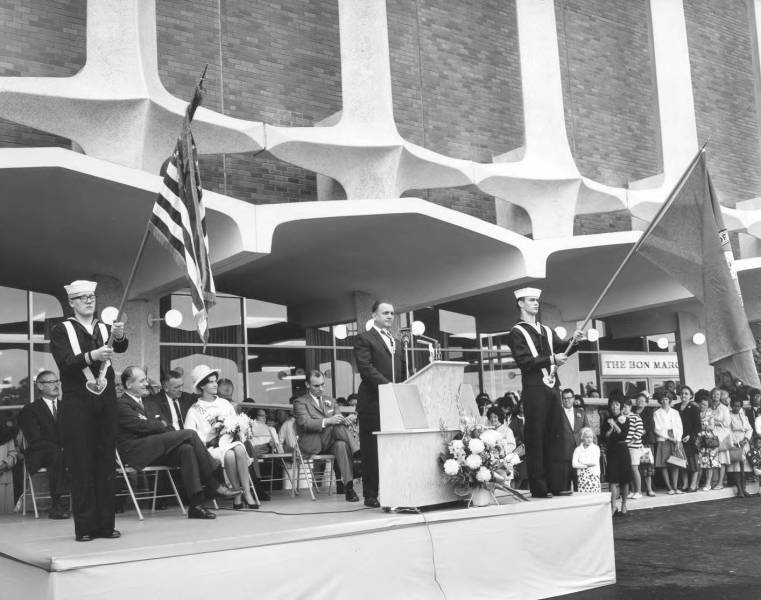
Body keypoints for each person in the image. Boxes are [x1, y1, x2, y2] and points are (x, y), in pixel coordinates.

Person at [50, 280, 127, 542]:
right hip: (77, 403)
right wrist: (93, 355)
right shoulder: (61, 330)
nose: (88, 300)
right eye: (81, 297)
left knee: (105, 462)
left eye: (91, 296)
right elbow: (65, 363)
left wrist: (119, 337)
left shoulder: (105, 327)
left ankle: (106, 524)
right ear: (71, 302)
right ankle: (85, 526)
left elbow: (122, 346)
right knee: (81, 463)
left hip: (105, 400)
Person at [116, 366, 239, 519]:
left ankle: (196, 505)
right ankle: (213, 483)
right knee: (190, 434)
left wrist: (154, 424)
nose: (146, 383)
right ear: (128, 384)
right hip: (136, 452)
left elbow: (164, 425)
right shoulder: (121, 404)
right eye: (141, 381)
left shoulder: (148, 403)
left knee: (186, 449)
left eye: (145, 380)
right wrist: (156, 424)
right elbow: (142, 426)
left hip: (154, 448)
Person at [504, 287, 583, 498]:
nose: (536, 304)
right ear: (520, 303)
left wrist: (575, 341)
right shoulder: (516, 332)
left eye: (537, 300)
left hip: (553, 387)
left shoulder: (547, 330)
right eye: (531, 300)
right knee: (537, 437)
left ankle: (557, 484)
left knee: (556, 435)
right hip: (534, 388)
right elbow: (525, 362)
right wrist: (550, 359)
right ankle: (540, 488)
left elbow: (563, 348)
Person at [353, 300, 406, 508]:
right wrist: (389, 386)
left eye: (392, 313)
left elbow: (402, 371)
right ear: (374, 315)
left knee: (394, 448)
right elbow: (366, 369)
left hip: (395, 402)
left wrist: (401, 388)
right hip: (373, 403)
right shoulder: (364, 339)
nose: (390, 316)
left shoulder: (398, 342)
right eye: (385, 313)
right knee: (372, 451)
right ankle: (371, 494)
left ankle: (394, 489)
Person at [184, 365, 259, 509]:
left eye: (215, 381)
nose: (214, 384)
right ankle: (237, 494)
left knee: (239, 448)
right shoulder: (194, 410)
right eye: (210, 382)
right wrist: (210, 435)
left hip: (230, 442)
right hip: (211, 449)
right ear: (201, 386)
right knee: (230, 455)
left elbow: (236, 423)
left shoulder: (224, 404)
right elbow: (190, 435)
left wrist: (239, 428)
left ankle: (247, 493)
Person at [294, 370, 360, 502]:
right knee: (336, 426)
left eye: (322, 385)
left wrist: (345, 420)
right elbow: (305, 423)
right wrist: (329, 421)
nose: (321, 389)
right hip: (312, 443)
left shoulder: (330, 400)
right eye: (316, 386)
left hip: (331, 441)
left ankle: (349, 488)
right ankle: (358, 456)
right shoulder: (300, 402)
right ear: (307, 385)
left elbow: (338, 419)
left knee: (341, 445)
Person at [18, 371, 69, 519]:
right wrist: (59, 446)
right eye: (50, 382)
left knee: (82, 451)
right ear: (40, 386)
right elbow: (34, 438)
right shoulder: (30, 410)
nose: (56, 385)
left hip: (63, 451)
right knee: (56, 453)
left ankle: (86, 501)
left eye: (57, 381)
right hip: (40, 452)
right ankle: (57, 504)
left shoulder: (66, 407)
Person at [549, 388, 590, 495]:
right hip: (563, 453)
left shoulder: (581, 412)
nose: (567, 400)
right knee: (565, 486)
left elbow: (587, 430)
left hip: (579, 453)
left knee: (580, 484)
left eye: (569, 398)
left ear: (573, 399)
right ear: (562, 400)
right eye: (564, 398)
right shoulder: (557, 413)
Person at [602, 397, 632, 516]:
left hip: (623, 449)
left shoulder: (625, 419)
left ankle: (624, 504)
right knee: (612, 480)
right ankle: (613, 505)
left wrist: (614, 424)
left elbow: (623, 436)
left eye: (617, 404)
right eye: (612, 405)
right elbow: (605, 436)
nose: (614, 407)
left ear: (620, 406)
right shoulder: (606, 420)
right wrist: (610, 428)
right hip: (612, 450)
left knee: (625, 480)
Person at [653, 392, 683, 495]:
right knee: (664, 464)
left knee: (676, 463)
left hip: (675, 438)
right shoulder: (657, 413)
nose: (664, 401)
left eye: (666, 399)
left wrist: (678, 439)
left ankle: (675, 487)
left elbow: (679, 427)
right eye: (662, 399)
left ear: (669, 400)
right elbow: (657, 429)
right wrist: (669, 437)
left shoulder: (675, 412)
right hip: (664, 439)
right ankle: (669, 487)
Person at [676, 386, 701, 492]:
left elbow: (697, 426)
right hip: (679, 438)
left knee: (693, 463)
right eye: (682, 393)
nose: (684, 395)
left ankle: (693, 485)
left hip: (690, 439)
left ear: (690, 396)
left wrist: (690, 436)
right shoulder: (676, 407)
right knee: (683, 463)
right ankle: (685, 484)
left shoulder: (694, 408)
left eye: (686, 393)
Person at [727, 395, 753, 497]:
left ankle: (744, 489)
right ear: (731, 406)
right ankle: (739, 490)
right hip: (735, 441)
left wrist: (746, 439)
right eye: (734, 406)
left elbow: (750, 429)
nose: (736, 408)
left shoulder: (744, 416)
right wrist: (735, 442)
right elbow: (728, 431)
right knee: (736, 467)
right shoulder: (729, 416)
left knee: (744, 467)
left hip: (744, 441)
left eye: (738, 406)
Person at [696, 394, 719, 492]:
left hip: (708, 441)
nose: (702, 406)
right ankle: (696, 483)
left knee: (709, 462)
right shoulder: (696, 413)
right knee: (699, 462)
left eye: (705, 404)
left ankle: (708, 483)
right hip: (698, 440)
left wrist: (702, 426)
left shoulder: (710, 414)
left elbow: (712, 427)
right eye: (701, 404)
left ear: (708, 405)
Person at [622, 397, 644, 500]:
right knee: (628, 469)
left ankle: (638, 491)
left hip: (634, 447)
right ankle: (632, 490)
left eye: (626, 407)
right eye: (623, 407)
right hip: (624, 447)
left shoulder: (636, 417)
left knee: (634, 469)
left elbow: (639, 432)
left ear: (630, 407)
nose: (624, 409)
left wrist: (631, 442)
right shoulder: (621, 418)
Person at [710, 388, 731, 489]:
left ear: (720, 396)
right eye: (713, 394)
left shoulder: (724, 408)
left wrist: (714, 422)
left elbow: (727, 423)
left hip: (721, 435)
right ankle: (714, 481)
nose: (715, 396)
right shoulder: (709, 408)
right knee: (713, 458)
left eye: (717, 394)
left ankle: (721, 482)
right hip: (711, 435)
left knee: (722, 459)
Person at [572, 427, 601, 494]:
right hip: (582, 477)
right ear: (582, 438)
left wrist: (581, 462)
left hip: (593, 476)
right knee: (583, 498)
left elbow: (594, 462)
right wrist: (586, 465)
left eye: (591, 437)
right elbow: (574, 464)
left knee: (594, 497)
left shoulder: (596, 448)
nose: (589, 439)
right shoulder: (578, 449)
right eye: (587, 437)